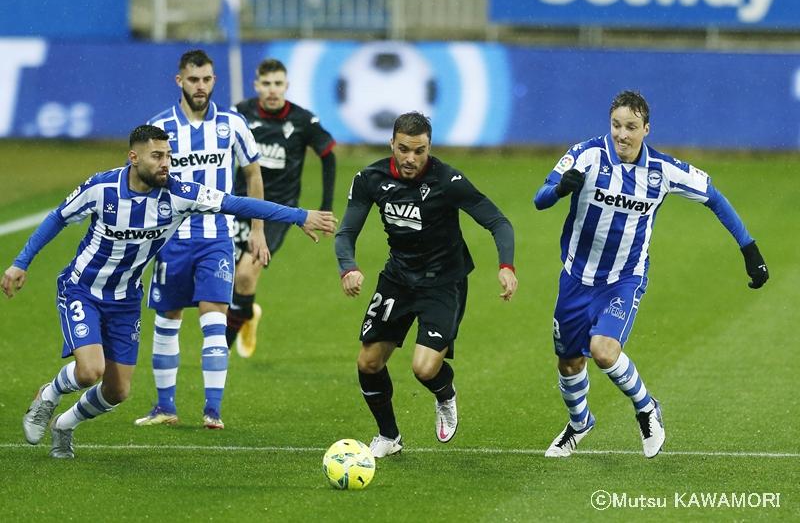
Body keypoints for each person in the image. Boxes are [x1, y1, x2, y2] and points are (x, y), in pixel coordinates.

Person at [3, 125, 337, 458]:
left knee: (117, 392)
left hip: (126, 299)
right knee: (91, 370)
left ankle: (64, 424)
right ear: (134, 158)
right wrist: (21, 262)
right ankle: (47, 396)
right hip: (83, 289)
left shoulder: (180, 194)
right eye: (158, 156)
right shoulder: (102, 187)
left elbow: (237, 204)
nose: (166, 163)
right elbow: (57, 217)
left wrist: (298, 216)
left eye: (169, 156)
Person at [534, 90, 769, 459]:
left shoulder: (662, 170)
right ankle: (579, 424)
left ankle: (646, 407)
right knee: (569, 362)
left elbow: (714, 198)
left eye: (630, 127)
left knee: (603, 350)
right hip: (576, 278)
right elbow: (540, 197)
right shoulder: (586, 155)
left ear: (646, 129)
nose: (621, 135)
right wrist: (561, 189)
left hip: (625, 278)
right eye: (615, 125)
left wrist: (749, 248)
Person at [334, 112, 518, 458]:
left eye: (419, 151)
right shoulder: (369, 179)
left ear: (429, 147)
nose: (410, 159)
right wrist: (349, 268)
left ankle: (445, 392)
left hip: (443, 283)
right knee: (368, 362)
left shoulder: (448, 181)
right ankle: (388, 437)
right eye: (403, 149)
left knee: (424, 368)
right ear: (392, 143)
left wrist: (506, 266)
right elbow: (346, 233)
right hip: (398, 279)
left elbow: (498, 222)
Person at [136, 49, 267, 430]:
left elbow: (253, 176)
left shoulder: (232, 123)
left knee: (214, 320)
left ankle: (213, 410)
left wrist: (257, 230)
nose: (201, 86)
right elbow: (143, 181)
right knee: (168, 320)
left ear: (213, 80)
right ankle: (165, 407)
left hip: (217, 239)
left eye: (207, 79)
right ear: (180, 81)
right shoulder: (159, 128)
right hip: (171, 240)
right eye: (193, 79)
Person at [226, 58, 337, 358]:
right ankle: (248, 314)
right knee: (226, 278)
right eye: (266, 84)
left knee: (246, 275)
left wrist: (325, 208)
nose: (272, 90)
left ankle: (219, 350)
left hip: (278, 211)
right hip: (238, 204)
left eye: (278, 84)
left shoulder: (302, 121)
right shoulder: (241, 113)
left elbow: (328, 155)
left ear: (286, 86)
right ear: (256, 86)